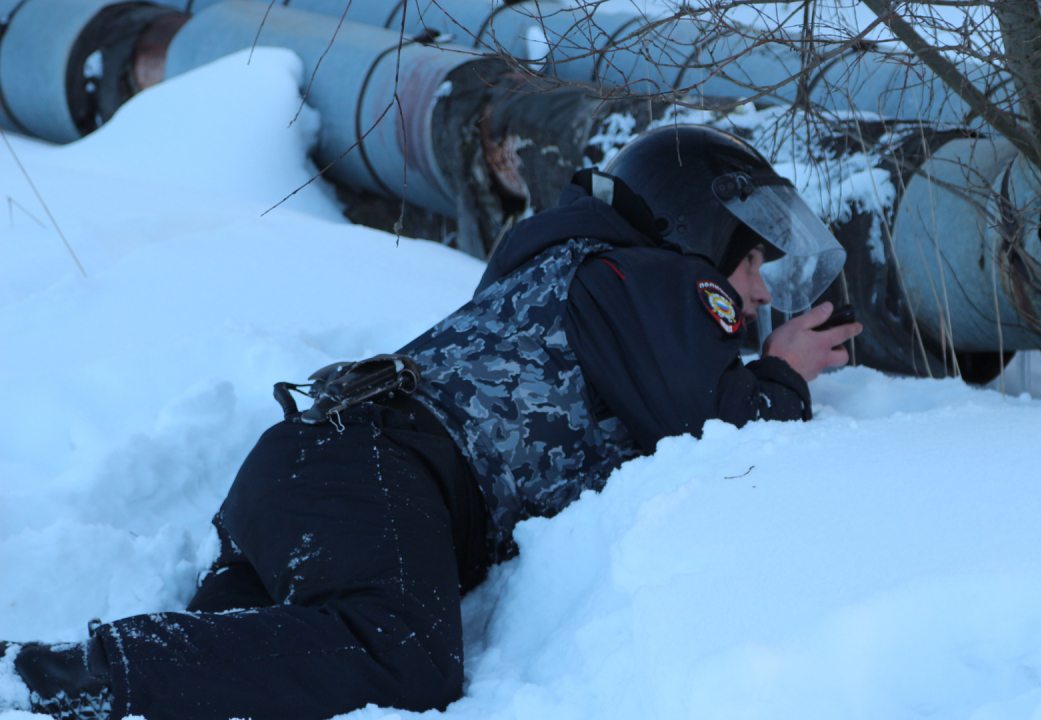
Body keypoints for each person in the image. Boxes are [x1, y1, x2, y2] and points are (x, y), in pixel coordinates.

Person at [0, 125, 861, 720]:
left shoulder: (579, 270)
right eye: (750, 260)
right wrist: (781, 371)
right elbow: (724, 427)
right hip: (378, 466)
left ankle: (51, 682)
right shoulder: (650, 280)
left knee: (229, 680)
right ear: (697, 229)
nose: (756, 291)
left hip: (315, 466)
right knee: (406, 654)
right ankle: (56, 674)